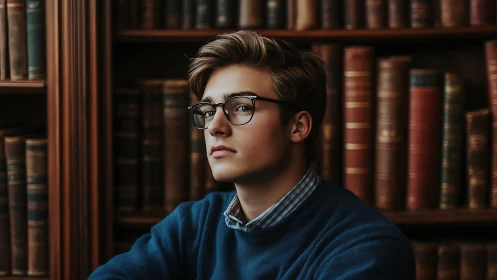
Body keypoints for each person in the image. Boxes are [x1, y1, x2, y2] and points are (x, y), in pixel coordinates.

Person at [89, 30, 415, 279]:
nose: (215, 126)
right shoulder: (194, 224)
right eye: (207, 110)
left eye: (241, 107)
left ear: (298, 126)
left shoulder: (365, 250)